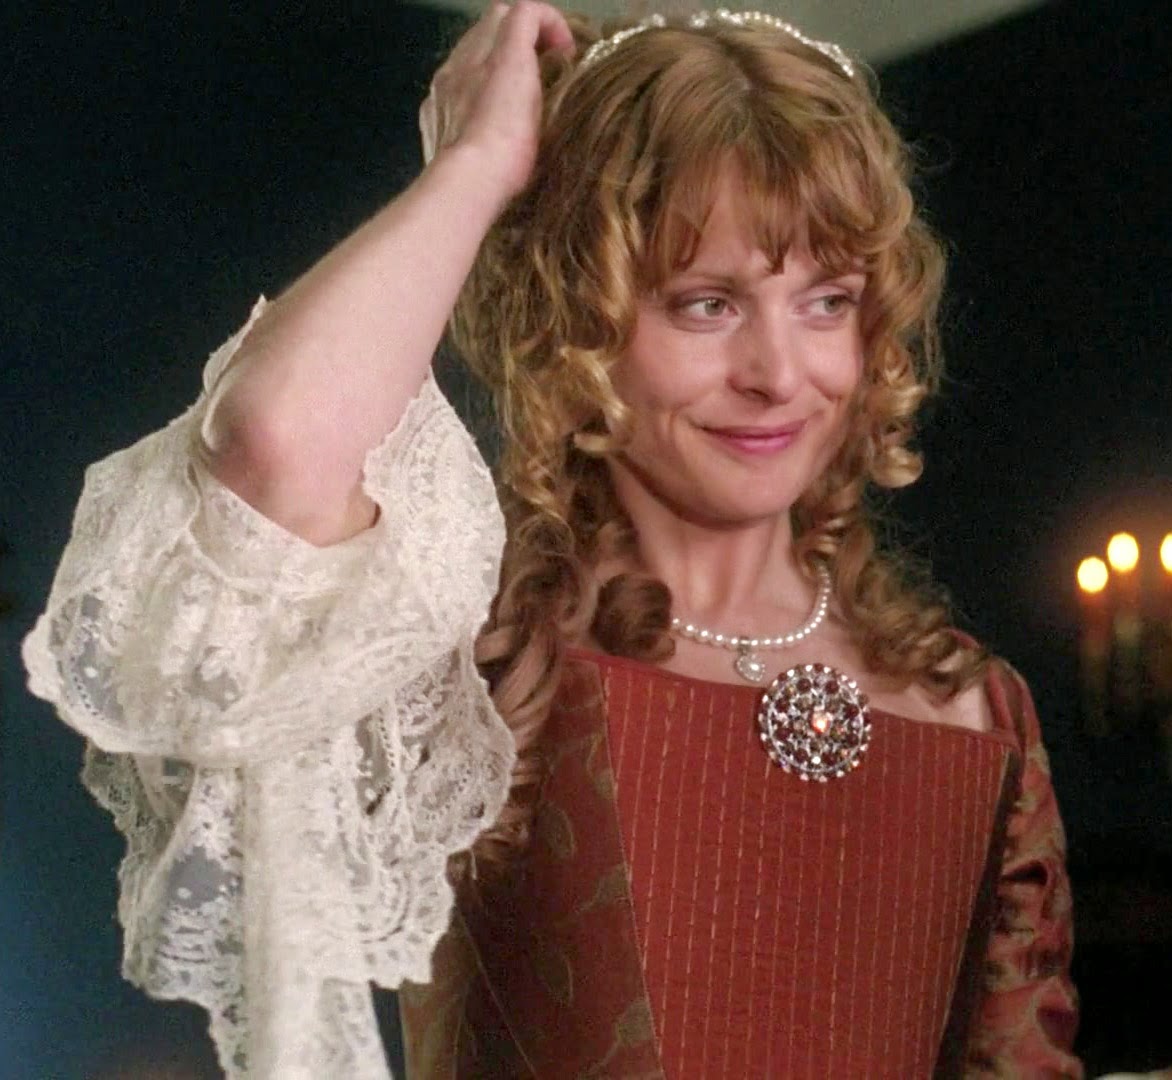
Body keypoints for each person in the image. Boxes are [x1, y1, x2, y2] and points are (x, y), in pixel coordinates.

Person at [23, 3, 1083, 1076]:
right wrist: (477, 169)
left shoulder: (975, 706)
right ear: (574, 319)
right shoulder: (468, 670)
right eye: (706, 304)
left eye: (826, 301)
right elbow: (270, 446)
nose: (778, 373)